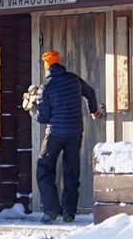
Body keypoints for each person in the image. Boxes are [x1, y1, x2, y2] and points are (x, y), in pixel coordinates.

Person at [33, 49, 102, 224]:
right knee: (71, 172)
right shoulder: (74, 79)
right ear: (59, 62)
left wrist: (32, 110)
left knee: (44, 170)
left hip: (55, 134)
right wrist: (94, 110)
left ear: (47, 66)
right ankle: (68, 213)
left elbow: (43, 118)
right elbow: (90, 92)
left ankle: (51, 211)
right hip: (74, 133)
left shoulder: (45, 87)